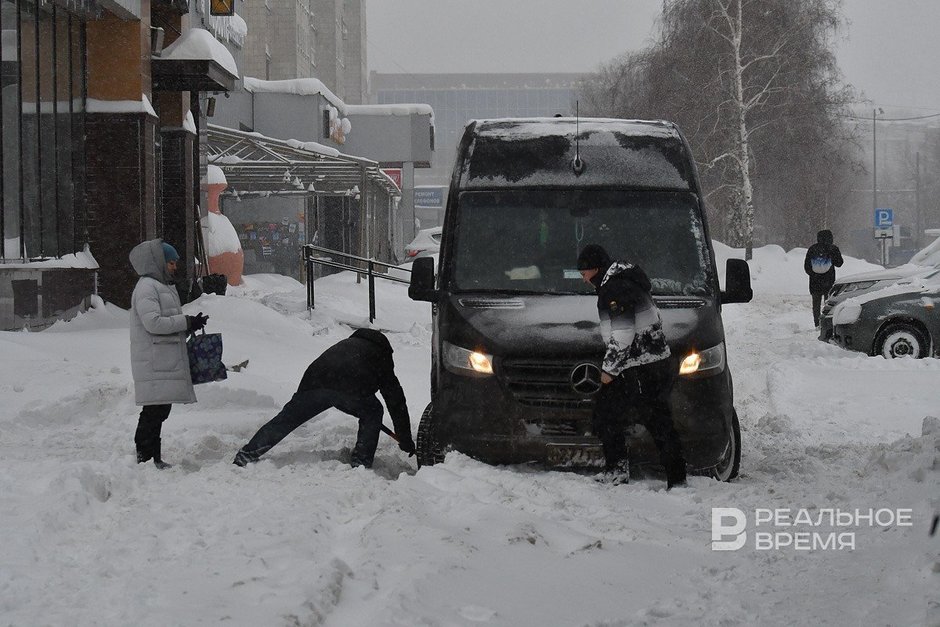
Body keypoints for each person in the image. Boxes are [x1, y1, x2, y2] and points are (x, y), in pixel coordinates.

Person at [577, 244, 687, 489]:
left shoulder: (614, 289)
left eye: (584, 273)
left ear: (595, 269)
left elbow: (623, 333)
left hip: (639, 366)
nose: (583, 279)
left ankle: (624, 470)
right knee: (654, 419)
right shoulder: (626, 281)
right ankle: (673, 475)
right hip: (650, 362)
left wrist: (609, 370)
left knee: (614, 416)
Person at [233, 328, 415, 468]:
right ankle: (361, 461)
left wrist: (299, 402)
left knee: (286, 419)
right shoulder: (380, 354)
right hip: (351, 389)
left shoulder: (346, 344)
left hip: (314, 383)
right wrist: (405, 438)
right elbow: (395, 400)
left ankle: (248, 453)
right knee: (373, 411)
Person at [129, 239, 209, 469]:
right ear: (158, 262)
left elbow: (165, 322)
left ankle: (152, 458)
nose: (174, 267)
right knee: (154, 411)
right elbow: (153, 323)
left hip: (161, 360)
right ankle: (145, 458)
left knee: (159, 410)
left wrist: (190, 325)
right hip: (154, 361)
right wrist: (185, 322)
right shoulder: (147, 287)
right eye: (171, 262)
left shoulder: (159, 286)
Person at [803, 229, 844, 327]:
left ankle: (817, 324)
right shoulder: (833, 249)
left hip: (814, 282)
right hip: (829, 281)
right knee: (829, 304)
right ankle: (827, 324)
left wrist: (814, 274)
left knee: (816, 305)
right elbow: (839, 263)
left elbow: (807, 266)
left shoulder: (812, 249)